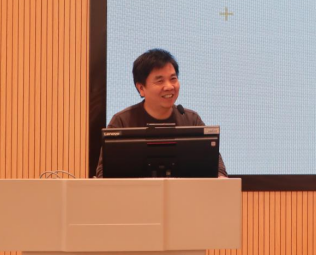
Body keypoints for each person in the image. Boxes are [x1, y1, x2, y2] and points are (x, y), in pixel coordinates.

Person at [95, 49, 228, 178]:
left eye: (173, 79)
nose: (169, 86)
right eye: (160, 81)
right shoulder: (122, 121)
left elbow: (217, 167)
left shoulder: (191, 120)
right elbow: (103, 173)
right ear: (141, 88)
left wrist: (221, 178)